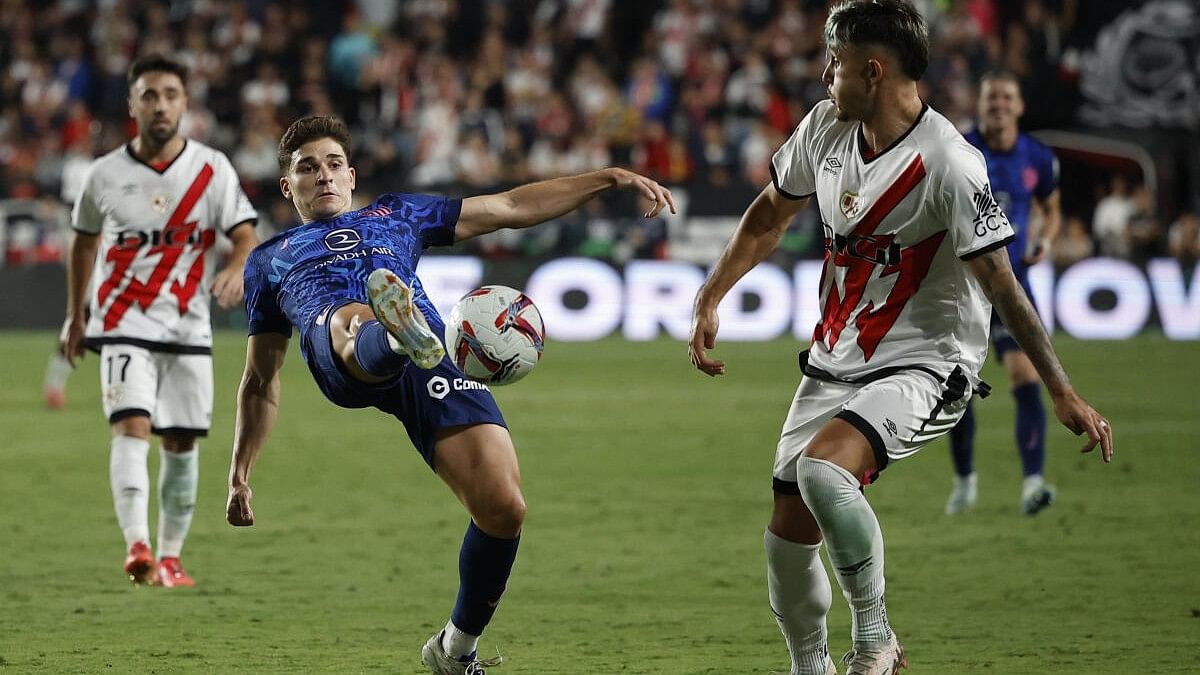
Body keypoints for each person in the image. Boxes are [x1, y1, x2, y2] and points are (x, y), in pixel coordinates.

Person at [686, 2, 1113, 674]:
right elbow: (770, 214)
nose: (826, 74)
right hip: (834, 362)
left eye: (837, 63)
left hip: (927, 362)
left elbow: (1001, 283)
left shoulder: (949, 162)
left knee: (825, 471)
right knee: (785, 544)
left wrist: (1061, 389)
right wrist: (712, 293)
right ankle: (811, 666)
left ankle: (876, 634)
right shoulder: (826, 127)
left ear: (874, 72)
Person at [225, 115, 674, 675]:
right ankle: (389, 333)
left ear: (352, 174)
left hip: (432, 356)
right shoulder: (270, 260)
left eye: (334, 164)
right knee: (351, 319)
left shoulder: (397, 213)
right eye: (307, 168)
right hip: (337, 348)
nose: (324, 176)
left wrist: (607, 177)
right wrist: (240, 472)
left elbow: (509, 208)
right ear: (287, 187)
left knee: (504, 509)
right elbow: (260, 379)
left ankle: (454, 649)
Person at [60, 54, 258, 587]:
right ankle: (137, 546)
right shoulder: (104, 174)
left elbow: (244, 231)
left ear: (185, 103)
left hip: (188, 325)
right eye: (149, 94)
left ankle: (170, 558)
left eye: (170, 94)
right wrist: (76, 314)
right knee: (132, 427)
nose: (160, 104)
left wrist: (238, 265)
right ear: (132, 105)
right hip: (122, 321)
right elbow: (82, 245)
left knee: (180, 443)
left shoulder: (211, 168)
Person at [945, 70, 1063, 516]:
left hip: (1015, 287)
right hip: (966, 287)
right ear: (980, 105)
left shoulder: (1039, 158)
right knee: (958, 389)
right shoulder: (959, 151)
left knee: (1025, 377)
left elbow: (1050, 209)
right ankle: (964, 481)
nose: (997, 105)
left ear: (1019, 106)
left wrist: (1046, 240)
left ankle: (1033, 482)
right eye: (990, 97)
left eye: (1005, 98)